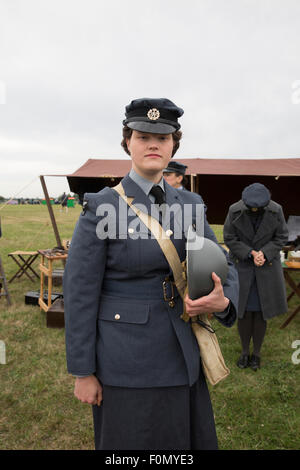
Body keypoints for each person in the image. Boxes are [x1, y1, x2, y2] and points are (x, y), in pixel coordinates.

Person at [63, 97, 239, 450]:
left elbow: (221, 265)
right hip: (125, 360)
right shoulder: (101, 206)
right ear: (128, 142)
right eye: (143, 136)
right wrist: (83, 372)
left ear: (174, 143)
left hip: (181, 352)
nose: (153, 144)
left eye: (163, 136)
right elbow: (80, 293)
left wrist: (222, 300)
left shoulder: (190, 204)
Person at [223, 183, 288, 371]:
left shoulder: (277, 211)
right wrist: (250, 252)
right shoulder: (234, 211)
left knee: (261, 312)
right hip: (243, 267)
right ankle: (244, 352)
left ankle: (256, 354)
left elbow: (281, 237)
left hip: (267, 268)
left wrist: (265, 253)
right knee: (243, 311)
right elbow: (229, 237)